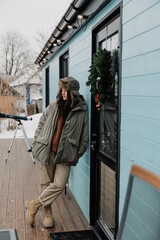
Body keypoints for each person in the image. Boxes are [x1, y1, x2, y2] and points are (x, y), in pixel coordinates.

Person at [26, 76, 88, 228]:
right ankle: (47, 214)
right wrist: (37, 141)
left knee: (59, 184)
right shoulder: (54, 106)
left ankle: (34, 204)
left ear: (73, 92)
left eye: (66, 90)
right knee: (46, 183)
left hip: (65, 156)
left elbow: (84, 138)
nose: (63, 93)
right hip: (48, 151)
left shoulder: (81, 111)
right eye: (62, 89)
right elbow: (41, 123)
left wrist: (76, 152)